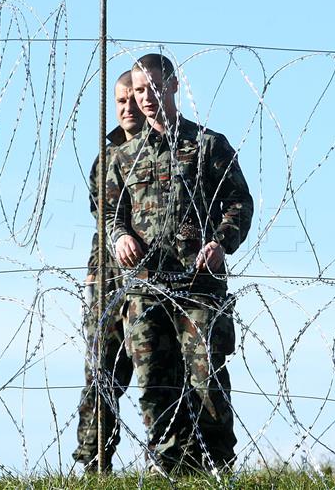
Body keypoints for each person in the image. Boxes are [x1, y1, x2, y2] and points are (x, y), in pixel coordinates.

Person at [105, 53, 253, 474]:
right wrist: (121, 238)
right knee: (154, 380)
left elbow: (239, 202)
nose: (144, 98)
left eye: (152, 87)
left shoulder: (207, 145)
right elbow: (112, 212)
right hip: (147, 287)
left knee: (205, 378)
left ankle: (216, 462)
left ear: (172, 85)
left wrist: (221, 243)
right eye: (137, 90)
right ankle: (168, 462)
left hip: (198, 284)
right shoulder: (124, 156)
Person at [72, 71, 143, 472]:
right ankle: (94, 460)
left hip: (152, 280)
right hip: (107, 277)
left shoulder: (170, 149)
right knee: (101, 371)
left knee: (158, 371)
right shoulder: (108, 155)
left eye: (134, 98)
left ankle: (170, 458)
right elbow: (106, 212)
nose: (127, 107)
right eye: (120, 101)